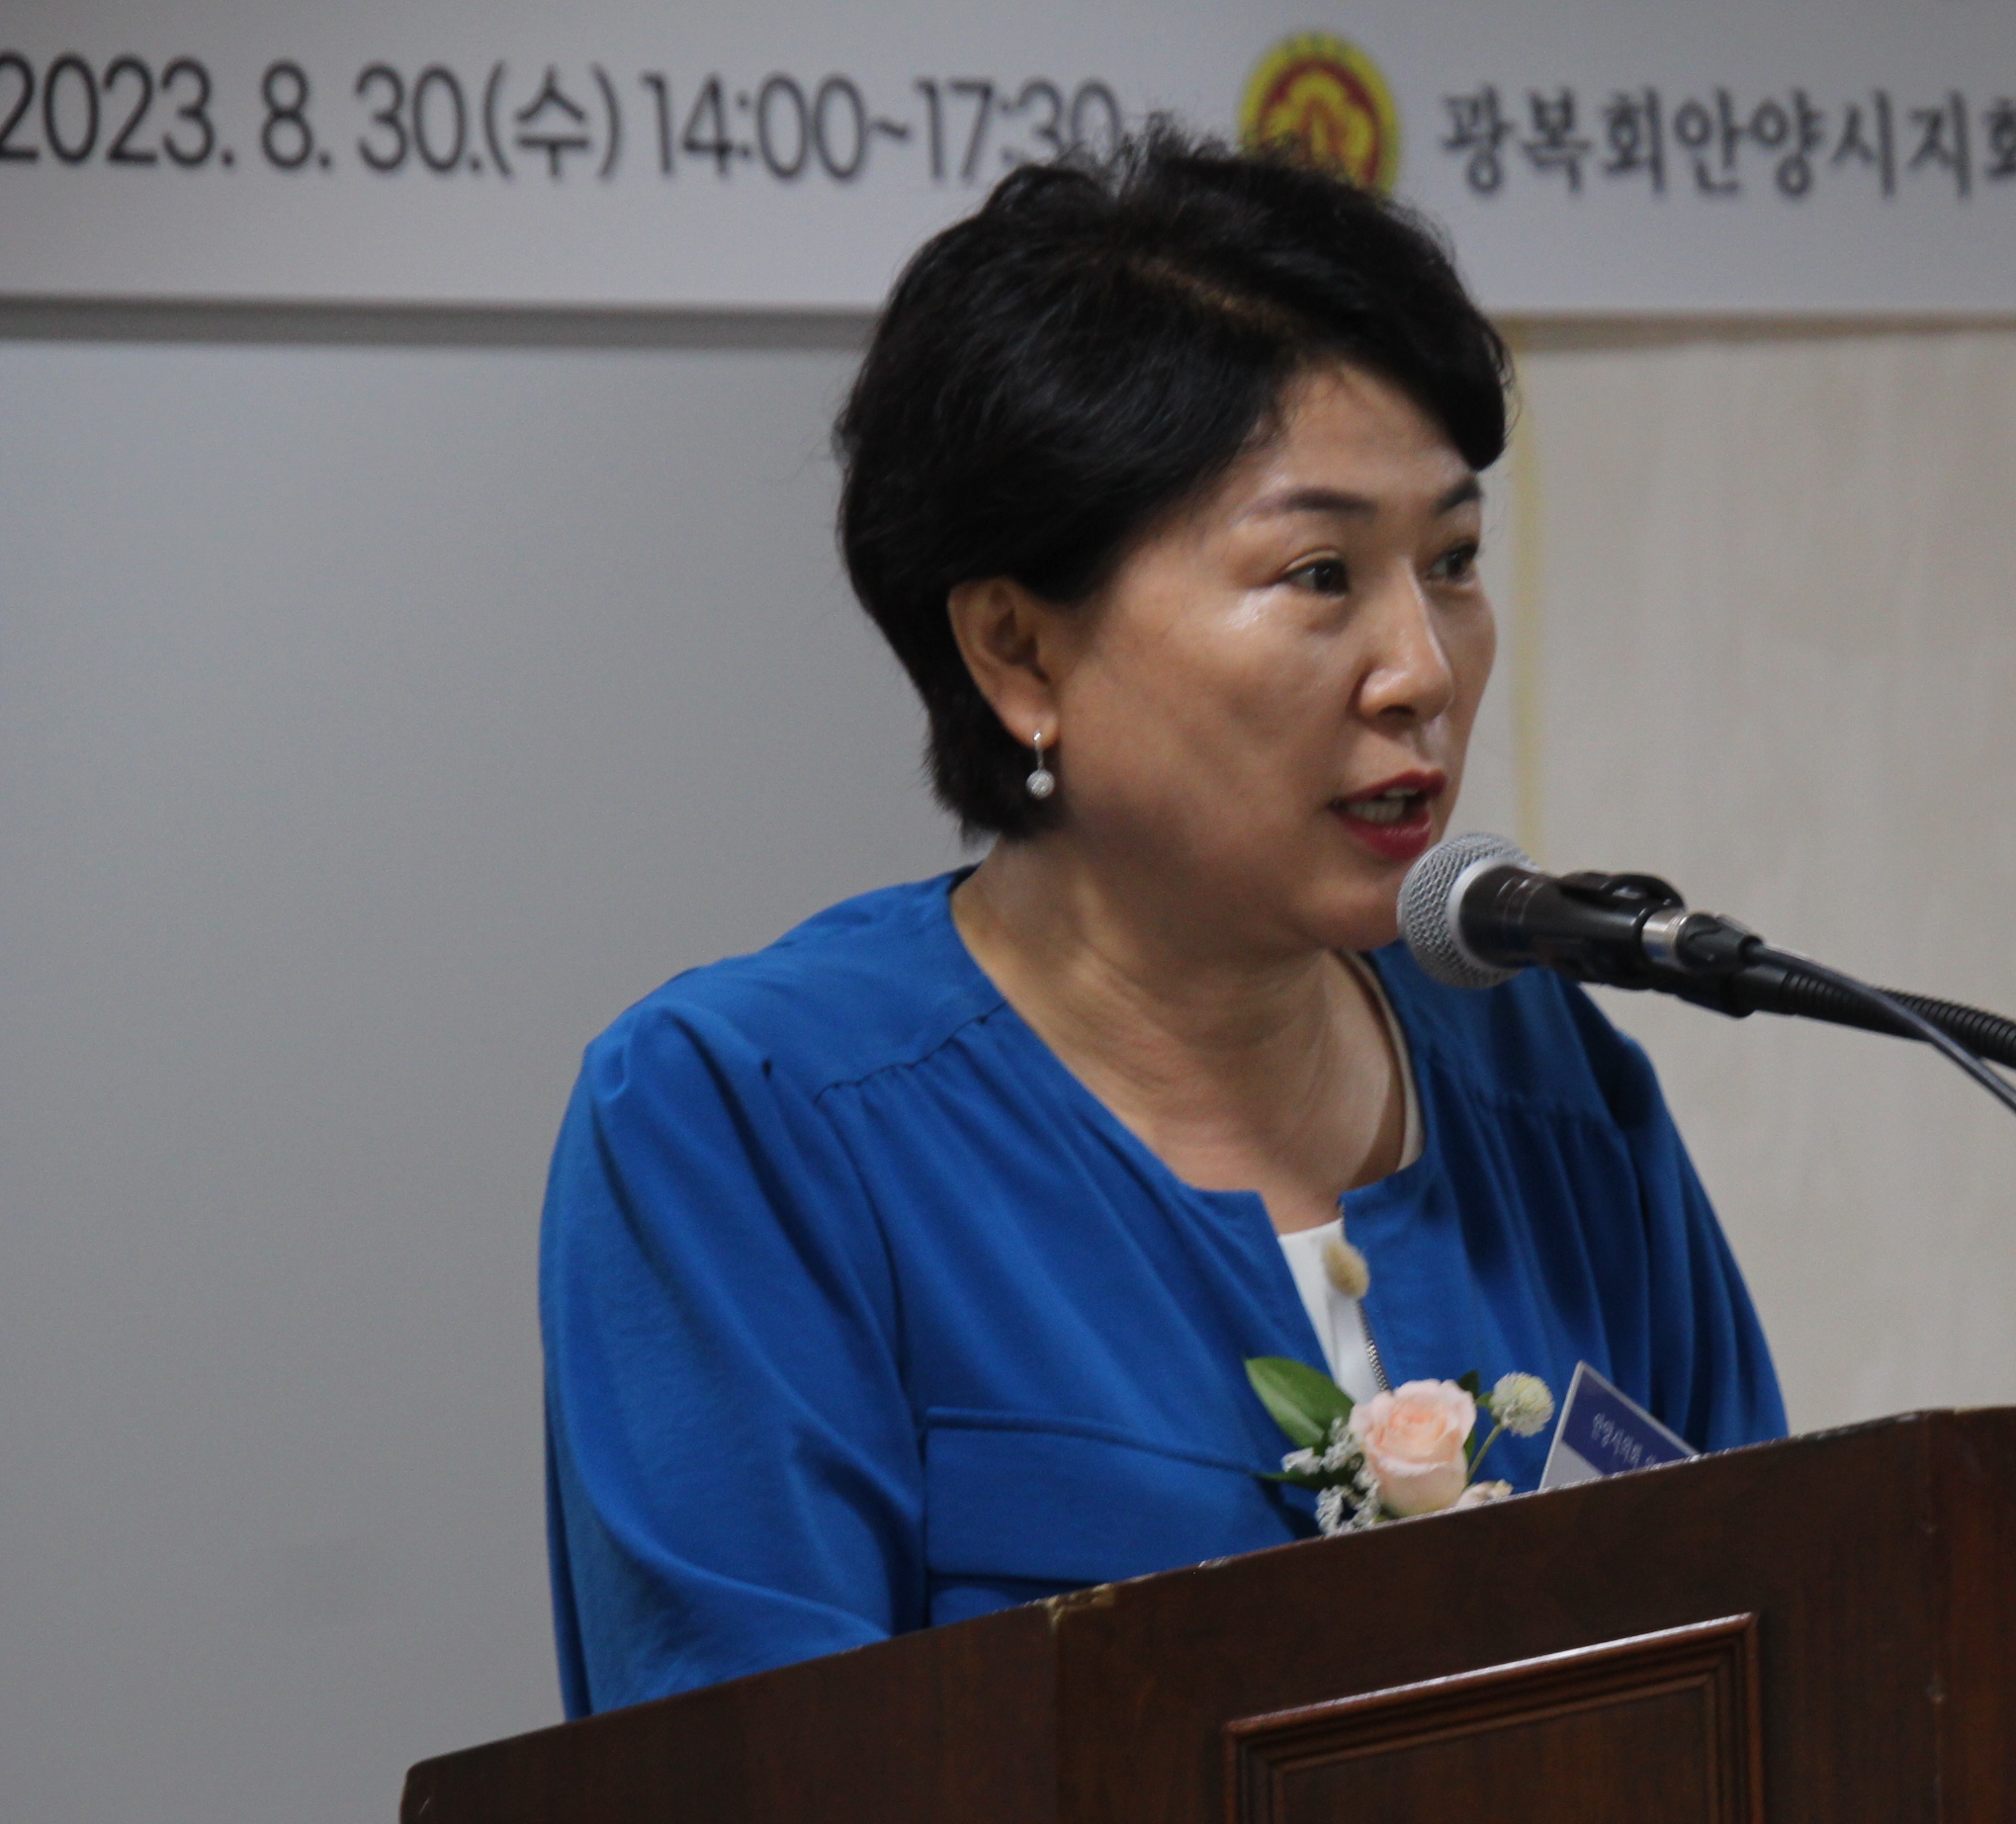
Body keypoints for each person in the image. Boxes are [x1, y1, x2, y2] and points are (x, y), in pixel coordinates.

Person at [540, 130, 1784, 1717]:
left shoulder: (1548, 1077)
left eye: (1454, 562)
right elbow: (768, 1812)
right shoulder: (751, 1124)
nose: (1421, 668)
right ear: (1019, 652)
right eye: (1320, 572)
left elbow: (1772, 1649)